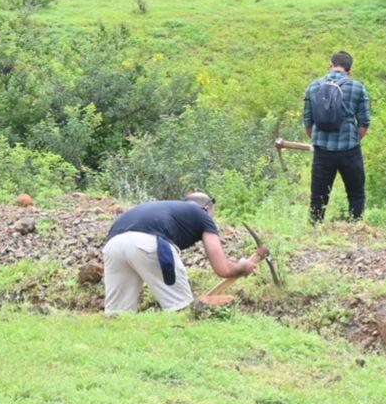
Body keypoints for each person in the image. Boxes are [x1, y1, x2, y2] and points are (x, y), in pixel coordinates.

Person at [100, 193, 265, 315]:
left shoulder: (168, 208)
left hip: (113, 246)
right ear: (207, 208)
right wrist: (242, 268)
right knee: (182, 310)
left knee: (118, 315)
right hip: (148, 243)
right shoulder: (202, 215)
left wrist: (236, 263)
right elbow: (223, 269)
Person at [301, 50, 371, 224]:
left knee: (318, 195)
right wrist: (354, 140)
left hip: (322, 149)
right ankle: (356, 226)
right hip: (350, 148)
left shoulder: (314, 86)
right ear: (349, 70)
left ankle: (315, 227)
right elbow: (364, 122)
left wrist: (317, 139)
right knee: (356, 193)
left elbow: (308, 122)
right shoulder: (357, 87)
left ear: (330, 66)